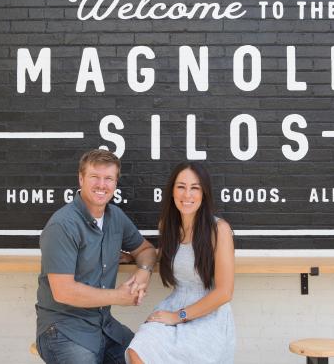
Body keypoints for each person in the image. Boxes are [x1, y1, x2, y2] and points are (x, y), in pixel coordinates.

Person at [36, 149, 157, 364]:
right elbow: (64, 292)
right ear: (81, 179)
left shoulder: (115, 217)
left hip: (103, 325)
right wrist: (119, 297)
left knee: (148, 355)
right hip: (64, 329)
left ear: (115, 183)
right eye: (95, 177)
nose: (102, 185)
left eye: (108, 178)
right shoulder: (62, 225)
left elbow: (146, 250)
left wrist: (144, 272)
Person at [126, 162, 236, 364]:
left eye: (195, 188)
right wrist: (135, 256)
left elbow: (224, 292)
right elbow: (174, 255)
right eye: (181, 187)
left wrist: (178, 316)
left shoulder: (218, 230)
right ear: (172, 191)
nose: (187, 195)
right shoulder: (167, 226)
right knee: (138, 350)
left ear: (204, 194)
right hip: (175, 303)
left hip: (209, 314)